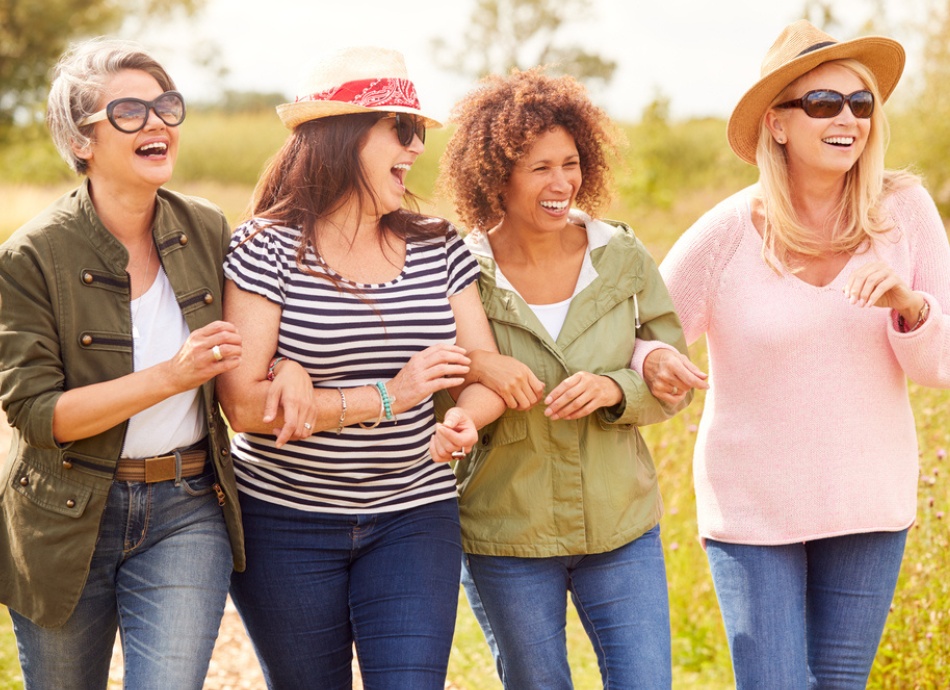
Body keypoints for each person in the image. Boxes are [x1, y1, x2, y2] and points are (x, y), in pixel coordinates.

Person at [640, 20, 950, 689]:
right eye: (822, 103)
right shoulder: (726, 232)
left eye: (860, 103)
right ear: (776, 125)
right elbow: (644, 329)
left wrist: (909, 306)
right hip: (753, 511)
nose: (847, 119)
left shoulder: (907, 212)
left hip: (868, 503)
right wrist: (651, 365)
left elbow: (938, 366)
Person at [216, 46, 505, 689]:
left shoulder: (439, 244)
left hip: (413, 512)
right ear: (344, 137)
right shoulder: (265, 247)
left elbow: (479, 373)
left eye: (419, 131)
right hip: (284, 522)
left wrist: (464, 418)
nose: (417, 148)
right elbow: (242, 407)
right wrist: (390, 396)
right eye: (401, 130)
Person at [0, 38, 245, 689]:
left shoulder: (209, 229)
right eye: (130, 111)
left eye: (165, 105)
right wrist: (171, 375)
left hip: (186, 506)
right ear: (82, 140)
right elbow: (35, 415)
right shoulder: (30, 256)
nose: (158, 122)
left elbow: (259, 352)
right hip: (64, 513)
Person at [437, 68, 692, 689]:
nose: (562, 183)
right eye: (539, 168)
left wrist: (617, 389)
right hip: (507, 530)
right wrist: (476, 372)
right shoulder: (457, 269)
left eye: (570, 163)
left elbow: (670, 371)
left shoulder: (621, 256)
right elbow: (439, 382)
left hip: (620, 525)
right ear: (496, 175)